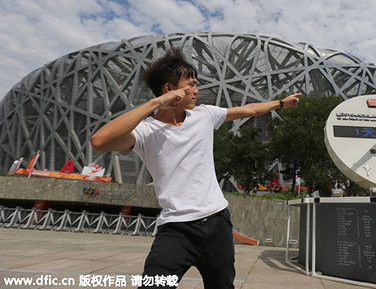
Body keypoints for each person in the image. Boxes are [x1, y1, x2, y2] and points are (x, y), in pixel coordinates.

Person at [90, 48, 301, 289]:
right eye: (191, 84)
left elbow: (248, 110)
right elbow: (99, 141)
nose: (197, 90)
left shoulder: (204, 115)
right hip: (176, 229)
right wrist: (157, 103)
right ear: (170, 89)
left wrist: (282, 103)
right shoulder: (145, 132)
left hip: (218, 222)